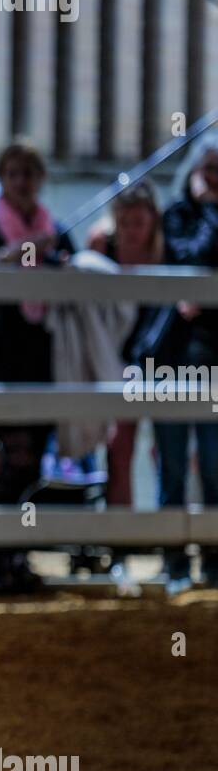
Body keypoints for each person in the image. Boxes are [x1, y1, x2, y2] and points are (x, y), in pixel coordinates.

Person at [0, 140, 74, 594]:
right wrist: (16, 254)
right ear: (3, 179)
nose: (22, 183)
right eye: (14, 174)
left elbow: (74, 274)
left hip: (43, 360)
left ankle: (16, 554)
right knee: (4, 462)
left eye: (30, 174)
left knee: (31, 465)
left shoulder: (58, 231)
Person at [152, 133, 218, 591]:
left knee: (214, 465)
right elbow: (190, 260)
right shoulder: (175, 215)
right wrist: (211, 211)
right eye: (208, 169)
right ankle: (174, 561)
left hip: (213, 353)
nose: (214, 179)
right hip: (176, 355)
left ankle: (213, 562)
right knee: (173, 463)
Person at [86, 180, 166, 507]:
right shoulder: (101, 243)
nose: (131, 231)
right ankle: (118, 536)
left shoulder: (165, 247)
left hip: (157, 354)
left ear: (153, 220)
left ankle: (167, 531)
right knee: (119, 447)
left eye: (139, 223)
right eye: (125, 222)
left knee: (165, 449)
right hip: (112, 353)